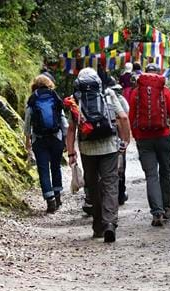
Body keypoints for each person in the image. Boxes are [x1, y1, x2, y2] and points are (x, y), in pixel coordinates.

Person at [66, 68, 131, 243]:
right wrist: (126, 140)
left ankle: (98, 226)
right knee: (110, 183)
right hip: (109, 146)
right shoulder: (108, 94)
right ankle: (110, 223)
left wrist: (71, 153)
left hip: (87, 148)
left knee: (92, 186)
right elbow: (123, 117)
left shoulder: (76, 99)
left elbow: (71, 129)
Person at [129, 63, 170, 227]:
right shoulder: (165, 92)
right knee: (165, 171)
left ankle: (157, 213)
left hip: (144, 140)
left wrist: (138, 137)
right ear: (159, 75)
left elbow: (131, 118)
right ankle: (168, 207)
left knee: (151, 176)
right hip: (164, 137)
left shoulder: (136, 93)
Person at [24, 74, 68, 213]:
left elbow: (27, 124)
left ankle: (50, 201)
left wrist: (28, 142)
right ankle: (58, 196)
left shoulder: (33, 100)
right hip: (56, 138)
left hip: (39, 139)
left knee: (43, 169)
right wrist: (65, 140)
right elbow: (64, 122)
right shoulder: (54, 98)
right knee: (55, 167)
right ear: (49, 84)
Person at [106, 76, 130, 205]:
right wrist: (126, 139)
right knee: (120, 168)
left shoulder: (96, 98)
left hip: (101, 137)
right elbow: (125, 115)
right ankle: (120, 194)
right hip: (118, 137)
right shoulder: (120, 99)